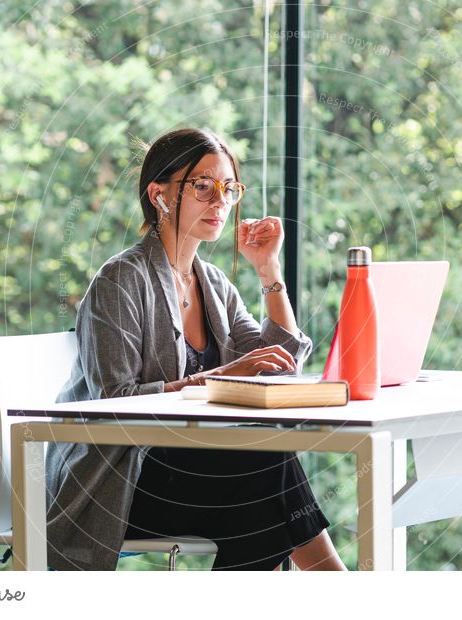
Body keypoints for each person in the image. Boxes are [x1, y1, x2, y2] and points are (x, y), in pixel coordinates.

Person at [45, 127, 346, 571]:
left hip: (190, 472)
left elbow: (278, 365)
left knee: (262, 481)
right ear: (159, 195)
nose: (220, 200)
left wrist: (268, 268)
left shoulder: (214, 285)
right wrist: (222, 376)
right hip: (117, 483)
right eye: (203, 186)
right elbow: (115, 403)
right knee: (263, 473)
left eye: (228, 188)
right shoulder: (120, 281)